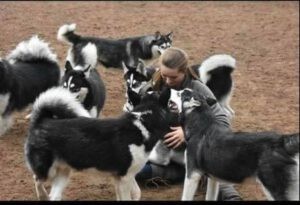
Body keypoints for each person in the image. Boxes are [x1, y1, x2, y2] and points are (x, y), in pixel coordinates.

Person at [135, 47, 242, 200]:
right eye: (165, 76)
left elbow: (223, 121)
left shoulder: (197, 89)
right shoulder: (154, 83)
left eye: (173, 77)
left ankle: (221, 188)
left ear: (184, 71)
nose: (168, 81)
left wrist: (186, 131)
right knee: (136, 170)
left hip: (197, 152)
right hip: (162, 153)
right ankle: (184, 174)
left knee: (214, 166)